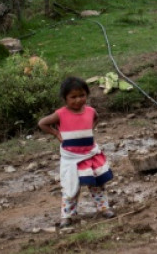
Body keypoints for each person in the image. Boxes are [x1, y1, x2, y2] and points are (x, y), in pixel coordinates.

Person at [38, 76, 115, 228]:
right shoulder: (60, 114)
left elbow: (96, 118)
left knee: (97, 184)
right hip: (71, 158)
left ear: (87, 95)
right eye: (73, 97)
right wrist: (56, 133)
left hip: (90, 154)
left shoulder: (90, 111)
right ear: (65, 98)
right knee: (71, 187)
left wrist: (89, 130)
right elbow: (42, 123)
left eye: (82, 95)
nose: (78, 100)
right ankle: (67, 215)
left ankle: (104, 208)